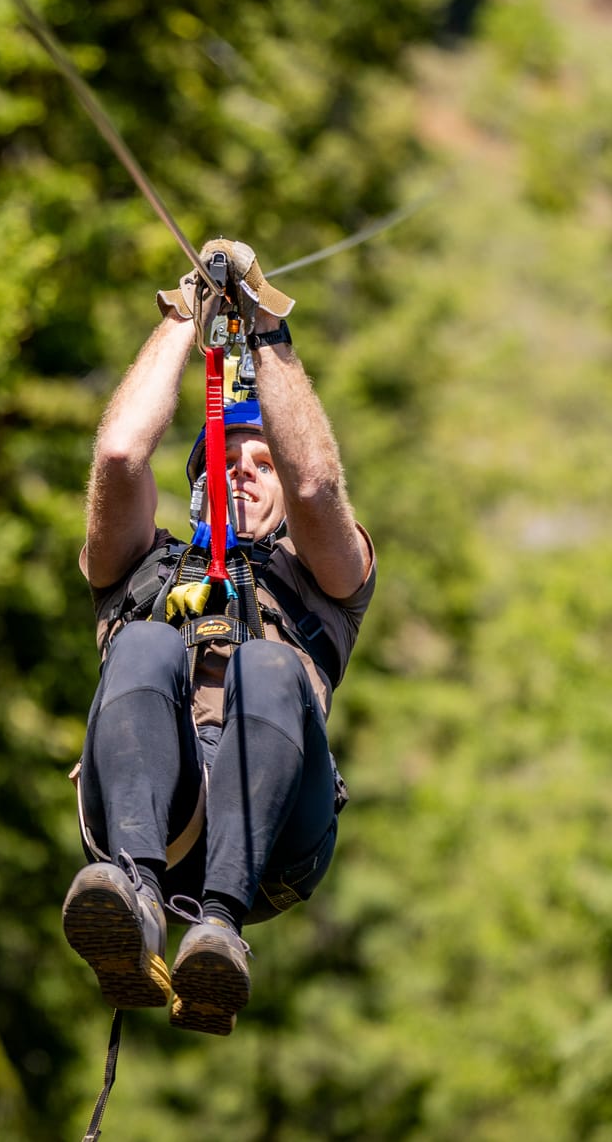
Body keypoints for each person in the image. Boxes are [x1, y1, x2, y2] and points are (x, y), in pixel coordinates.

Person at [64, 238, 376, 1036]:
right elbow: (120, 453)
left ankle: (220, 933)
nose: (243, 471)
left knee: (271, 668)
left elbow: (315, 483)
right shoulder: (140, 569)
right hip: (152, 818)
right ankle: (130, 899)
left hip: (274, 840)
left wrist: (265, 333)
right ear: (200, 486)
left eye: (259, 461)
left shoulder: (323, 582)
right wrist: (179, 318)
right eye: (225, 460)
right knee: (144, 646)